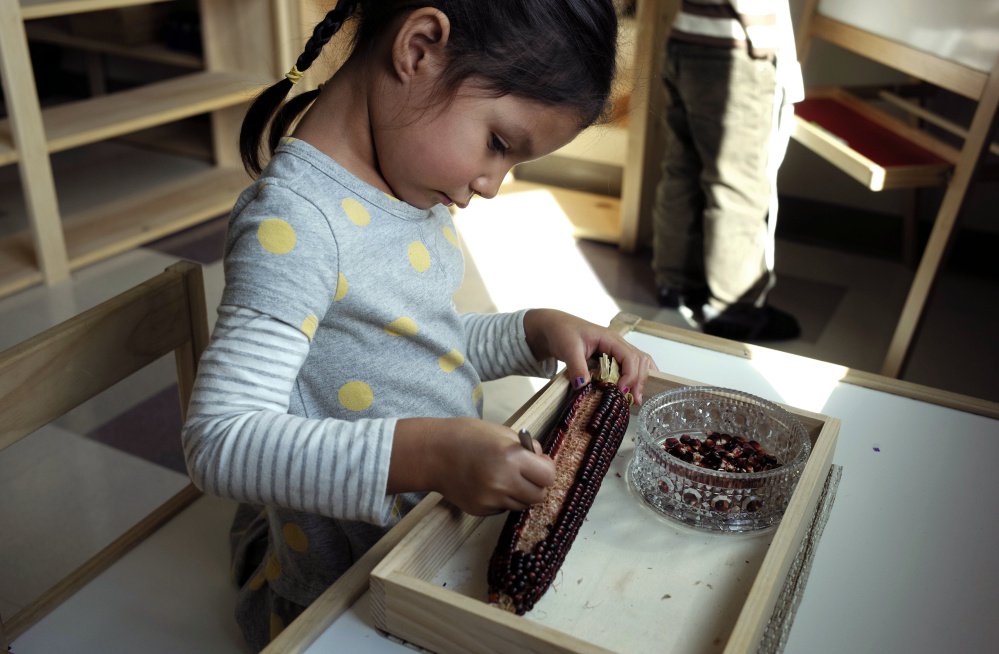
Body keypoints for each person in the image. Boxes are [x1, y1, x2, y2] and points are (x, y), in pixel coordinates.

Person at [181, 1, 656, 649]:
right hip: (347, 591)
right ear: (419, 48)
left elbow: (410, 348)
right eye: (498, 144)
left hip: (429, 537)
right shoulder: (293, 226)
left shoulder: (405, 184)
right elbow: (219, 443)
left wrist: (533, 332)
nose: (491, 184)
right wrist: (428, 454)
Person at [651, 0, 804, 341]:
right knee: (737, 183)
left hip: (686, 36)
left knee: (683, 170)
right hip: (734, 45)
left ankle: (674, 283)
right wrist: (762, 32)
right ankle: (734, 310)